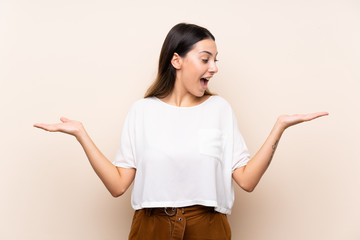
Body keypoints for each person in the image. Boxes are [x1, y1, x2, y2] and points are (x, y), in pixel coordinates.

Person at [33, 23, 328, 240]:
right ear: (177, 60)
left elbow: (247, 181)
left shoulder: (219, 110)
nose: (213, 68)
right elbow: (118, 185)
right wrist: (81, 133)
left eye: (215, 60)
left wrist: (279, 127)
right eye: (205, 59)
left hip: (208, 227)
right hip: (150, 227)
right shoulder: (142, 111)